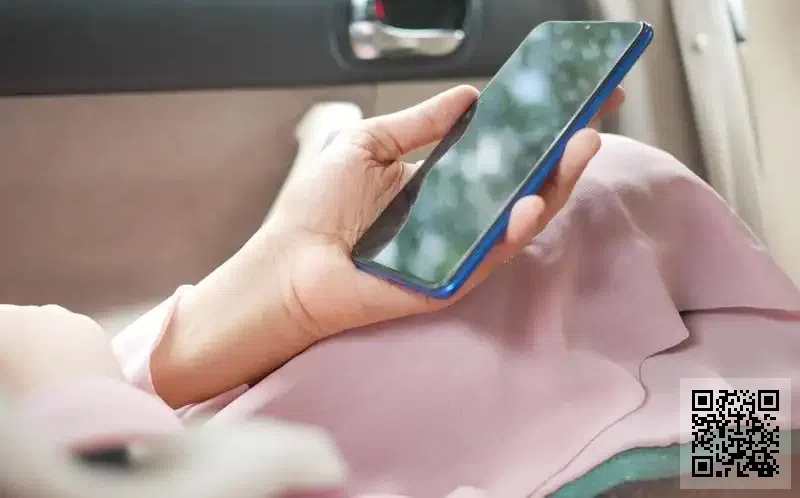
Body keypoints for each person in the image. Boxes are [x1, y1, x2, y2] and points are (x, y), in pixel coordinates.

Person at [2, 85, 799, 498]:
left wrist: (276, 296)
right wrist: (67, 378)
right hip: (196, 442)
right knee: (601, 213)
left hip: (187, 403)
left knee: (593, 211)